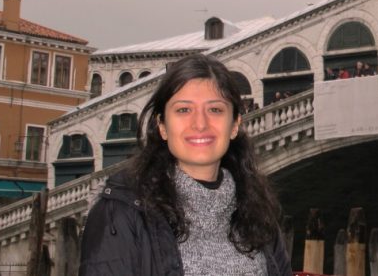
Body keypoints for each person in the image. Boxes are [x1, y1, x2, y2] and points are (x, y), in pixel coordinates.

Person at [80, 54, 291, 276]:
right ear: (162, 126)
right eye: (183, 110)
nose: (200, 124)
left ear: (235, 125)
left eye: (215, 110)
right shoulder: (121, 213)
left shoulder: (258, 213)